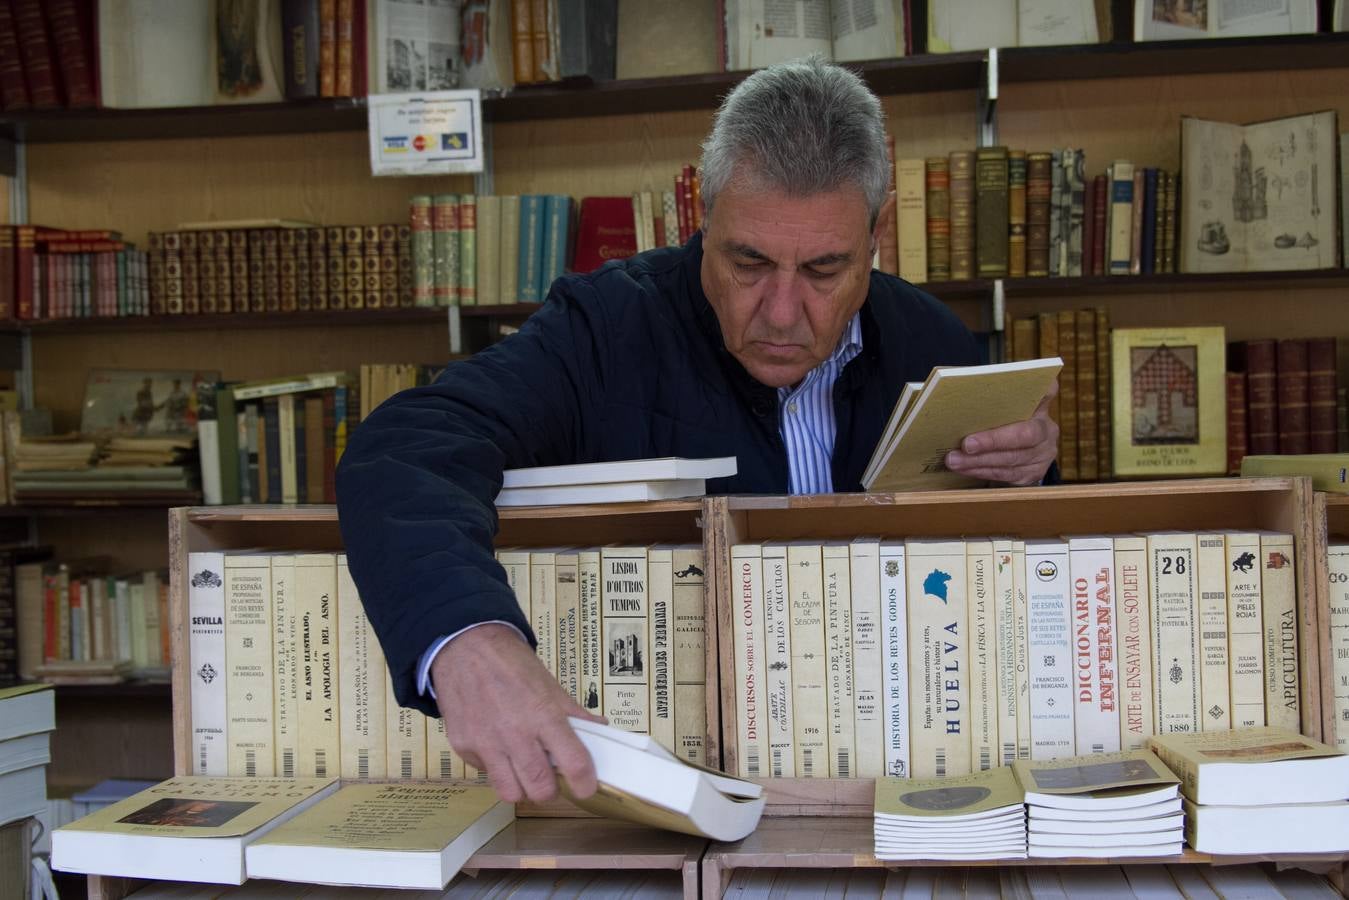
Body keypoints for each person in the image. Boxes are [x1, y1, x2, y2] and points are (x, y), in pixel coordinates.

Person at [335, 56, 1058, 808]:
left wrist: (1031, 466)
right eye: (748, 262)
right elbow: (407, 444)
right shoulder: (603, 329)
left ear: (877, 234)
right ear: (701, 219)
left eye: (823, 270)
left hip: (897, 777)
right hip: (653, 787)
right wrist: (467, 639)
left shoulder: (928, 340)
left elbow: (1016, 560)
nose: (781, 313)